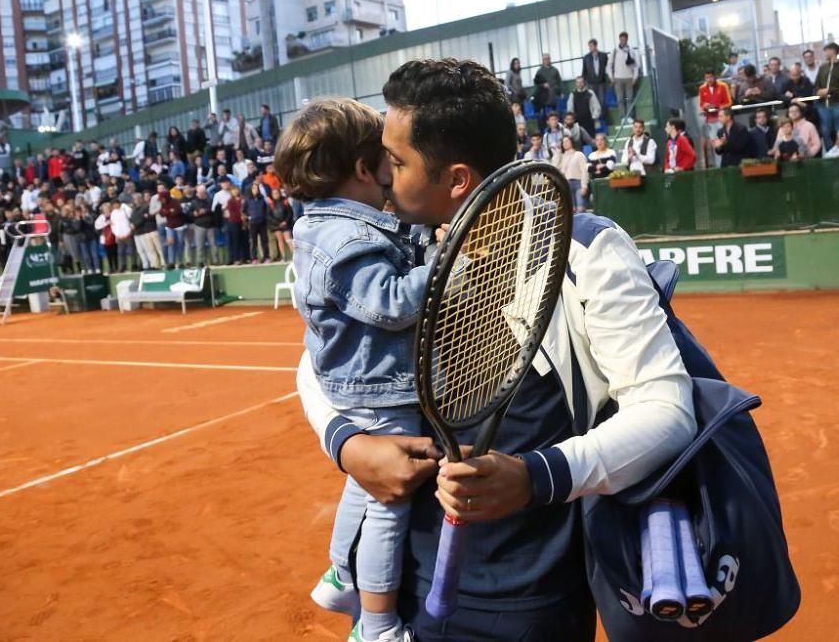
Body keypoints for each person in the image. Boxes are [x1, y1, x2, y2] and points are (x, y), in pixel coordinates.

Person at [297, 58, 695, 641]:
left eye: (399, 161)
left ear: (456, 178)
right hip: (394, 583)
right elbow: (317, 360)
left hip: (527, 604)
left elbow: (667, 409)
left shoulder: (587, 250)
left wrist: (538, 475)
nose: (383, 174)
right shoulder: (389, 244)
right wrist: (349, 444)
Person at [277, 97, 434, 642]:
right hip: (380, 390)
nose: (394, 173)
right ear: (366, 169)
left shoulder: (330, 228)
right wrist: (450, 259)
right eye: (387, 161)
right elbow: (390, 302)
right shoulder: (346, 239)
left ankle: (342, 577)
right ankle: (380, 625)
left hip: (362, 386)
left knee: (362, 490)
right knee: (389, 504)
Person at [815, 42, 839, 150]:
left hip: (838, 104)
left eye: (827, 50)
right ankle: (830, 153)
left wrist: (829, 91)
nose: (825, 53)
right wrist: (818, 91)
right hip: (823, 105)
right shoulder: (822, 67)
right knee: (825, 131)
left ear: (833, 51)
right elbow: (817, 84)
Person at [699, 69, 732, 168]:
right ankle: (719, 166)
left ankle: (729, 164)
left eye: (711, 77)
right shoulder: (702, 88)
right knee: (715, 144)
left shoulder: (723, 86)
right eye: (707, 78)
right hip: (710, 120)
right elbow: (701, 104)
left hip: (722, 119)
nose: (709, 79)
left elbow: (729, 102)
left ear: (715, 77)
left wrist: (717, 106)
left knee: (725, 141)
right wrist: (705, 106)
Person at [610, 31, 639, 119]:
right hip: (618, 78)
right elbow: (609, 65)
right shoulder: (615, 51)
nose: (623, 41)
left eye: (625, 39)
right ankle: (623, 117)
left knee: (628, 98)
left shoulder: (632, 51)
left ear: (627, 39)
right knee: (620, 99)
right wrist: (611, 77)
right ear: (619, 39)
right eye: (621, 39)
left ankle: (629, 116)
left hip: (629, 78)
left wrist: (635, 77)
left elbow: (636, 65)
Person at [558, 135, 590, 212]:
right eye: (563, 142)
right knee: (571, 211)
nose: (565, 143)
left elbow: (584, 171)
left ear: (572, 142)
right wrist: (557, 152)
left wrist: (584, 186)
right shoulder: (562, 156)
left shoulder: (579, 154)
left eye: (567, 141)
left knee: (580, 208)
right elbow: (555, 166)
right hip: (567, 185)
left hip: (578, 184)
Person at [581, 39, 609, 117]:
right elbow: (584, 70)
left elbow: (608, 68)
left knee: (602, 100)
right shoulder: (586, 57)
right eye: (589, 46)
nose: (590, 48)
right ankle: (595, 117)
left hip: (601, 82)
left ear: (595, 45)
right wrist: (583, 81)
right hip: (591, 83)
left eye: (591, 46)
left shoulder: (603, 55)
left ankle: (603, 117)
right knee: (592, 100)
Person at [532, 53, 562, 120]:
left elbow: (559, 82)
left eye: (548, 59)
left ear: (550, 59)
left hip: (554, 93)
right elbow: (536, 83)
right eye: (545, 59)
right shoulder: (539, 71)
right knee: (543, 113)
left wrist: (561, 92)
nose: (547, 60)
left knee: (556, 111)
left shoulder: (555, 70)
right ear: (542, 60)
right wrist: (543, 85)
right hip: (544, 94)